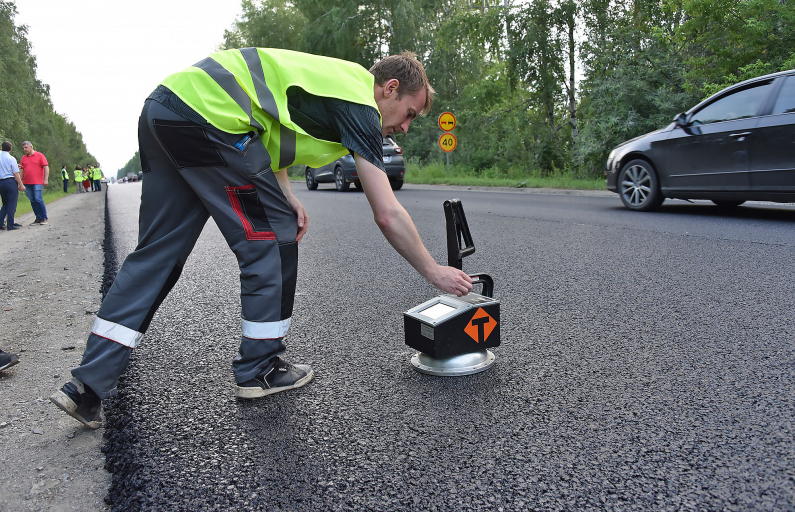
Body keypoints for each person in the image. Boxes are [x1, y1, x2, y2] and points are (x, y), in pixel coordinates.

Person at [50, 48, 472, 429]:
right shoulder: (361, 101)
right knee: (270, 239)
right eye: (410, 113)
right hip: (211, 118)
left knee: (156, 257)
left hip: (165, 108)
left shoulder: (331, 83)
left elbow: (269, 132)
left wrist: (287, 194)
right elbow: (387, 211)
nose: (406, 125)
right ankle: (260, 368)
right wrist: (433, 271)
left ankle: (86, 388)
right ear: (390, 89)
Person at [19, 141, 49, 225]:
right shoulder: (23, 158)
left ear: (31, 146)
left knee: (38, 198)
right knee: (32, 200)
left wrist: (45, 179)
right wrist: (20, 182)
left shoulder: (40, 155)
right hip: (27, 182)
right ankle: (38, 217)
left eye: (26, 147)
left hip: (38, 182)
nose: (24, 149)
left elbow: (46, 167)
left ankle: (43, 217)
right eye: (23, 148)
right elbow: (21, 170)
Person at [0, 141, 25, 230]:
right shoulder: (11, 158)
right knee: (12, 203)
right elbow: (16, 173)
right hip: (10, 182)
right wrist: (20, 184)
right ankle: (10, 224)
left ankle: (1, 223)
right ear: (10, 149)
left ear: (2, 148)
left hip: (1, 182)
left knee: (5, 204)